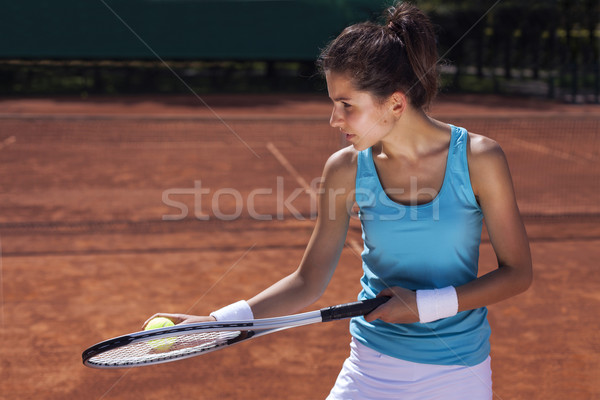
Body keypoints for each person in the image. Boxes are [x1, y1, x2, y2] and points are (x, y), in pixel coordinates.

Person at [145, 3, 532, 399]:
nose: (334, 119)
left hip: (458, 375)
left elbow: (518, 272)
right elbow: (308, 280)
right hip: (370, 369)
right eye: (334, 103)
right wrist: (214, 322)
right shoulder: (346, 168)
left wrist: (426, 305)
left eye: (347, 105)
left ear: (396, 103)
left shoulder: (480, 159)